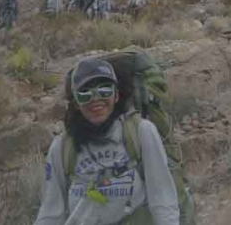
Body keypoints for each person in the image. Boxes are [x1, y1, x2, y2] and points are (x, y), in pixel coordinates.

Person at [35, 57, 180, 225]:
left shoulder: (141, 132)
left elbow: (162, 199)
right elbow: (50, 213)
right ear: (75, 103)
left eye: (105, 90)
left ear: (117, 95)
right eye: (85, 94)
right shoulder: (62, 147)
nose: (95, 99)